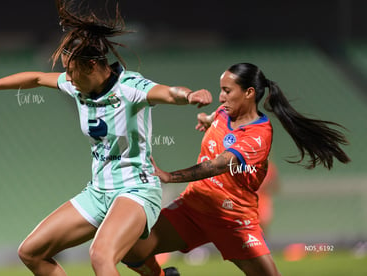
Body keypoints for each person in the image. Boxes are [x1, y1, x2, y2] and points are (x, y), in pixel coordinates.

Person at [0, 2, 212, 276]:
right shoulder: (77, 86)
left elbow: (169, 93)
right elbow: (35, 78)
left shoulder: (129, 87)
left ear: (92, 65)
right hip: (98, 192)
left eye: (71, 71)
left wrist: (189, 96)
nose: (67, 78)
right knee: (31, 252)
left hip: (135, 190)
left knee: (100, 256)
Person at [122, 62, 350, 276]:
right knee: (130, 248)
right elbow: (216, 117)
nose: (221, 96)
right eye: (221, 90)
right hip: (193, 207)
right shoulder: (224, 111)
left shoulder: (259, 134)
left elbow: (218, 165)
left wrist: (170, 176)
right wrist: (206, 119)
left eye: (227, 91)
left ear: (249, 93)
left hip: (232, 220)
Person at [257, 160, 280, 234]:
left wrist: (266, 187)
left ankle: (264, 243)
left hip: (263, 199)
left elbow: (276, 187)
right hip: (249, 199)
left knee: (263, 225)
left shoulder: (270, 167)